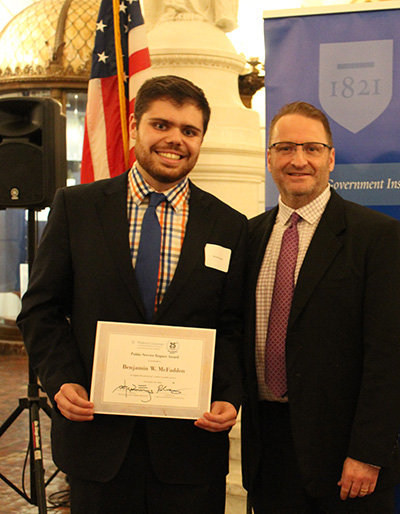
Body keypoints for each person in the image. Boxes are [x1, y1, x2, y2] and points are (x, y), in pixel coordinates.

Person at [17, 75, 247, 514]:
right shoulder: (77, 207)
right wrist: (62, 380)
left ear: (200, 139)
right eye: (161, 125)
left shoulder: (231, 226)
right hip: (97, 444)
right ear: (135, 126)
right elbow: (41, 310)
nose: (174, 139)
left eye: (189, 130)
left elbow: (233, 325)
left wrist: (228, 395)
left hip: (191, 448)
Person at [241, 101, 400, 514]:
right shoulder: (248, 236)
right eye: (285, 148)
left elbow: (390, 356)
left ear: (331, 158)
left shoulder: (377, 237)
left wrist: (367, 452)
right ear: (269, 158)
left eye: (312, 149)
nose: (298, 160)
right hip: (269, 453)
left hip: (346, 460)